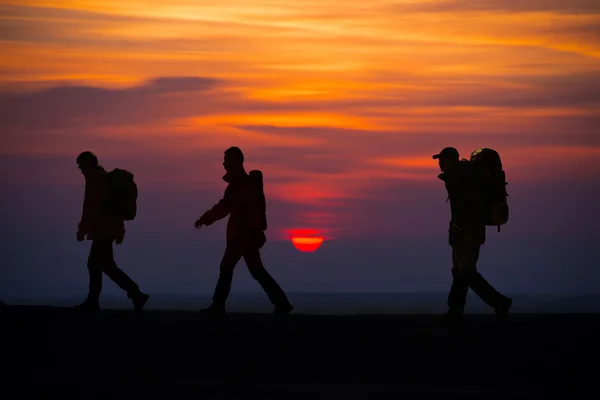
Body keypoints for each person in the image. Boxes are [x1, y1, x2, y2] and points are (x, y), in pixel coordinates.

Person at [195, 147, 293, 317]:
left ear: (236, 161)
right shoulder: (243, 183)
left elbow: (225, 206)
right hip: (247, 234)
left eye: (227, 159)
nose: (224, 163)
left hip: (243, 236)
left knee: (228, 267)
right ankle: (281, 303)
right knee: (255, 270)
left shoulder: (240, 184)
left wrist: (205, 219)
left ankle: (218, 305)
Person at [433, 147, 512, 322]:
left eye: (443, 160)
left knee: (466, 273)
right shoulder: (458, 176)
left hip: (468, 233)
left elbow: (470, 207)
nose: (440, 163)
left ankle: (499, 303)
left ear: (452, 160)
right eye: (439, 160)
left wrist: (464, 231)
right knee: (460, 273)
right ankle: (457, 311)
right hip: (461, 231)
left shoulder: (463, 177)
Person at [74, 151, 149, 312]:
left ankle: (94, 301)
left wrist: (82, 229)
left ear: (88, 164)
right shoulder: (104, 178)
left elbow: (90, 207)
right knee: (106, 265)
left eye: (81, 166)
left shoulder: (95, 180)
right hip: (108, 228)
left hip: (103, 229)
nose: (81, 170)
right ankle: (135, 294)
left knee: (95, 264)